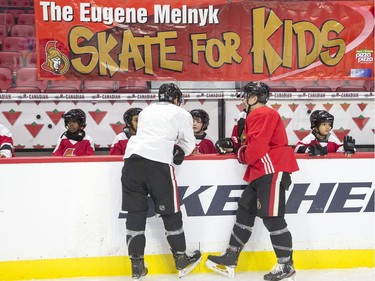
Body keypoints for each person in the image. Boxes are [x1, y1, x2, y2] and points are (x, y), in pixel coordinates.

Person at [207, 82, 299, 281]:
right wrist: (236, 146)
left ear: (254, 98)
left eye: (246, 96)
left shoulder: (261, 114)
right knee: (245, 210)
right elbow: (251, 144)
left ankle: (285, 265)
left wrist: (240, 153)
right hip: (261, 171)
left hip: (271, 169)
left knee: (272, 217)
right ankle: (231, 255)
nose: (243, 100)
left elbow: (255, 149)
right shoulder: (255, 116)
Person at [121, 83, 202, 280]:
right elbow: (189, 142)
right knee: (170, 212)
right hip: (158, 163)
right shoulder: (181, 113)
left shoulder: (146, 111)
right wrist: (180, 151)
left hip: (131, 161)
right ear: (176, 99)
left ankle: (137, 265)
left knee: (135, 214)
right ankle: (181, 259)